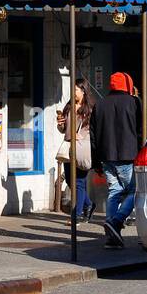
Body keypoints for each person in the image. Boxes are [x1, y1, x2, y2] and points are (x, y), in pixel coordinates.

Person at [92, 71, 141, 248]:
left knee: (114, 191)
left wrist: (96, 160)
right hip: (127, 155)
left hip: (106, 155)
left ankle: (112, 235)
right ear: (127, 85)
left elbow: (93, 135)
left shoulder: (100, 104)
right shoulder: (133, 102)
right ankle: (116, 222)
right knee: (135, 191)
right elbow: (141, 129)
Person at [57, 78, 95, 224]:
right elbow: (63, 130)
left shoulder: (89, 109)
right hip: (69, 148)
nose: (73, 92)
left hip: (82, 148)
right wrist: (60, 125)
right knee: (69, 180)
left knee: (79, 182)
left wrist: (82, 135)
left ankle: (76, 215)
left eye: (76, 90)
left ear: (83, 91)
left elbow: (93, 129)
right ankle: (88, 204)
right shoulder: (69, 107)